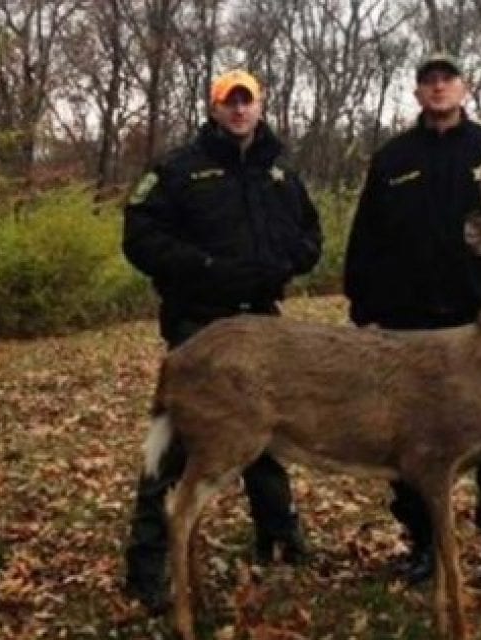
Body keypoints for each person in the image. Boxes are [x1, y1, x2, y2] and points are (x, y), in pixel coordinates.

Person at [343, 53, 481, 603]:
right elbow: (366, 238)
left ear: (464, 88)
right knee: (412, 444)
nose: (437, 89)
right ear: (417, 93)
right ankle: (423, 550)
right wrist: (363, 308)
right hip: (407, 330)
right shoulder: (392, 159)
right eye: (428, 82)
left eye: (447, 80)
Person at [121, 69, 323, 613]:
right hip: (200, 326)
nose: (238, 111)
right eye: (228, 102)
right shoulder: (178, 170)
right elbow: (139, 238)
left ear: (259, 107)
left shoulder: (280, 171)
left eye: (246, 102)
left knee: (268, 432)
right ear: (213, 109)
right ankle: (147, 567)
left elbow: (312, 235)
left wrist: (289, 260)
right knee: (176, 445)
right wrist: (203, 267)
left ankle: (279, 538)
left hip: (262, 323)